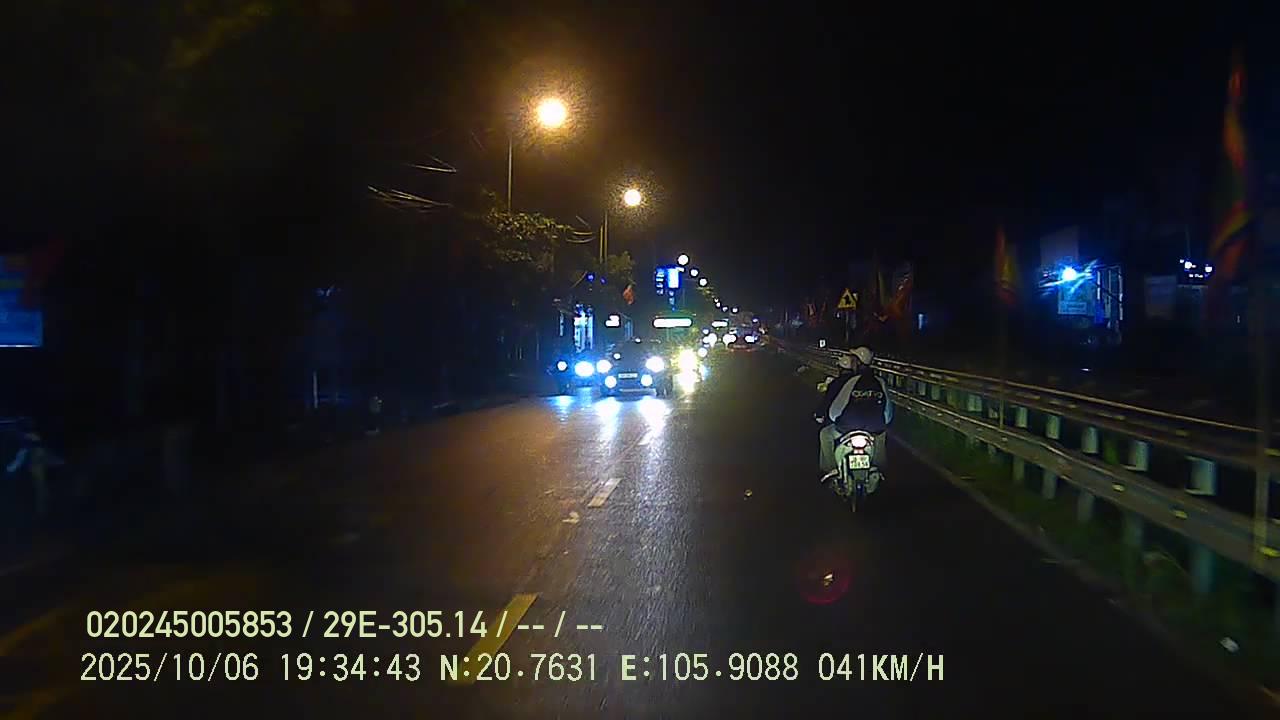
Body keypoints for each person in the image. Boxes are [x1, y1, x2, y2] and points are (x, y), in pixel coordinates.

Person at [815, 346, 893, 492]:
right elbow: (888, 410)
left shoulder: (851, 381)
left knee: (825, 434)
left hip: (848, 426)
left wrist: (834, 419)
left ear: (857, 362)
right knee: (881, 437)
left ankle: (831, 469)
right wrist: (882, 424)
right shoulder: (880, 381)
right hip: (874, 426)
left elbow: (838, 406)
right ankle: (878, 469)